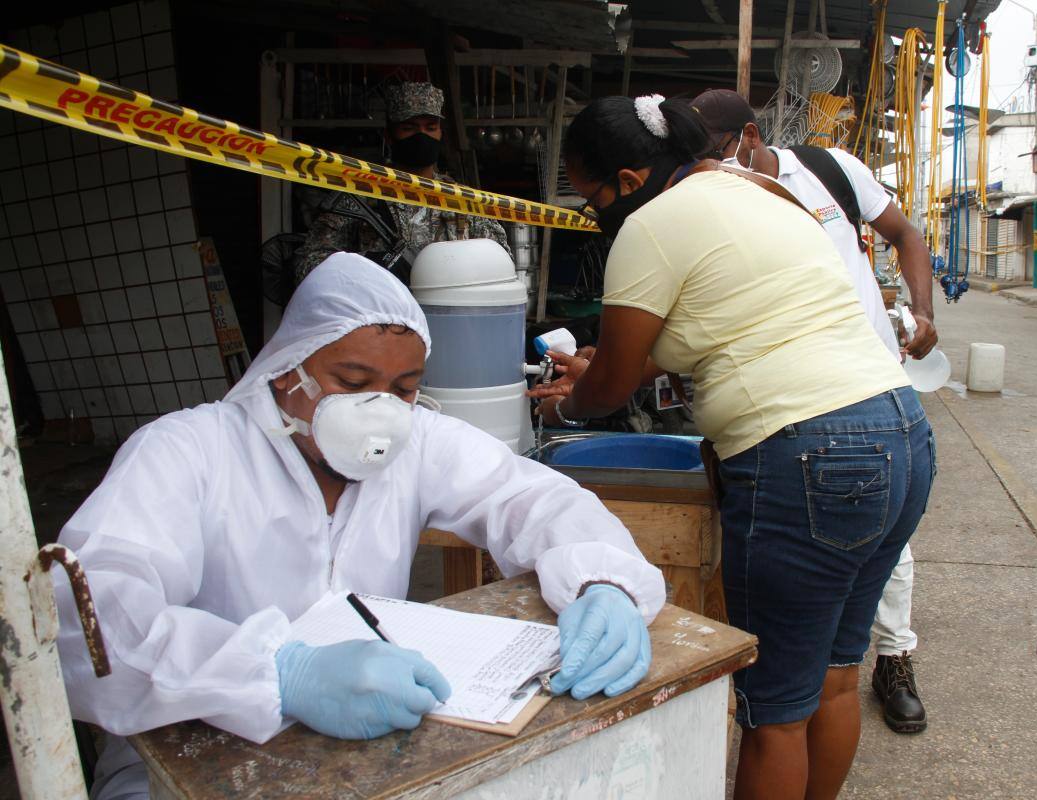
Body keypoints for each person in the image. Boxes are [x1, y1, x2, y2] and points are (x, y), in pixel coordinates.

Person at [54, 252, 665, 800]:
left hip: (357, 757)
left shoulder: (418, 443)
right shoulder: (188, 451)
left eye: (403, 389)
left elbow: (530, 498)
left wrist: (602, 580)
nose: (378, 410)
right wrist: (277, 673)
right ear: (287, 368)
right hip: (184, 763)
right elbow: (88, 621)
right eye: (351, 383)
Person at [529, 94, 935, 800]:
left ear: (629, 181)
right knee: (836, 679)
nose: (589, 210)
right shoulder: (765, 191)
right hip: (900, 432)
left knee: (774, 712)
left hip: (808, 456)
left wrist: (568, 401)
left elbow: (613, 388)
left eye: (589, 193)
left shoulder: (650, 225)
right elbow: (728, 322)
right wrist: (604, 363)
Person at [694, 87, 937, 735]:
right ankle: (822, 672)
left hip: (875, 384)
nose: (710, 165)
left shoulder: (829, 170)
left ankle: (895, 659)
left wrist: (925, 311)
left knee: (889, 545)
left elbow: (905, 234)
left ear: (749, 135)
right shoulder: (715, 198)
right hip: (794, 399)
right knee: (820, 562)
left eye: (716, 150)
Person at [294, 82, 510, 282]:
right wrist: (367, 265)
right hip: (382, 318)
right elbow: (307, 267)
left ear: (440, 133)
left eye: (430, 127)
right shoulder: (361, 197)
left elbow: (502, 264)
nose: (421, 136)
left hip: (448, 317)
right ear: (389, 135)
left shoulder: (462, 200)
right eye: (409, 128)